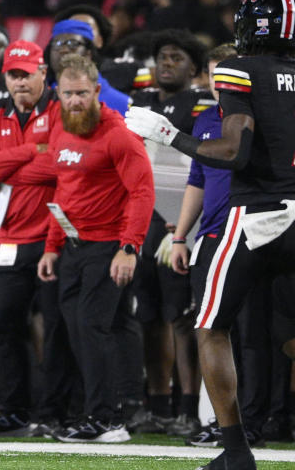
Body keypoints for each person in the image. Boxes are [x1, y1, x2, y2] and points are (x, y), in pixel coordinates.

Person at [124, 0, 295, 470]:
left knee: (210, 327)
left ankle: (235, 451)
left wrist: (170, 135)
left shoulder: (242, 68)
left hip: (256, 217)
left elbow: (234, 152)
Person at [38, 54, 155, 443]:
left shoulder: (118, 134)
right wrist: (53, 246)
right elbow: (64, 189)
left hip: (108, 247)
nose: (74, 101)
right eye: (68, 94)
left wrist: (129, 247)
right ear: (57, 93)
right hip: (73, 247)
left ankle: (107, 419)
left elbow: (142, 191)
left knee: (91, 327)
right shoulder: (62, 129)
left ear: (97, 92)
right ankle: (105, 411)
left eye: (82, 94)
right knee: (84, 330)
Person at [0, 40, 72, 436]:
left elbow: (61, 165)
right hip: (7, 238)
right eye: (13, 75)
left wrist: (7, 167)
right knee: (5, 328)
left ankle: (53, 411)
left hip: (53, 239)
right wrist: (32, 150)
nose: (20, 82)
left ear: (44, 72)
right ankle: (11, 409)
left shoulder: (63, 110)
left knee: (56, 327)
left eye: (27, 73)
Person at [129, 29, 213, 434]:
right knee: (148, 315)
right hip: (142, 222)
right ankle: (158, 404)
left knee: (181, 316)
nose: (166, 63)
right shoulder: (139, 103)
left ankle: (188, 408)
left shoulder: (203, 106)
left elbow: (199, 169)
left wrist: (182, 226)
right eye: (162, 56)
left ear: (195, 69)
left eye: (177, 58)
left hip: (179, 222)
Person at [168, 43, 238, 441]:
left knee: (251, 333)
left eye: (224, 75)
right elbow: (197, 180)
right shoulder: (205, 119)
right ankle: (214, 421)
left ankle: (257, 419)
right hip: (209, 237)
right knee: (209, 329)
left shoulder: (256, 119)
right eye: (212, 75)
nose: (217, 84)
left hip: (246, 235)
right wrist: (181, 236)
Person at [46, 19, 132, 116]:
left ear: (89, 52)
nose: (64, 50)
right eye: (57, 44)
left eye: (73, 43)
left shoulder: (122, 103)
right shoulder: (39, 98)